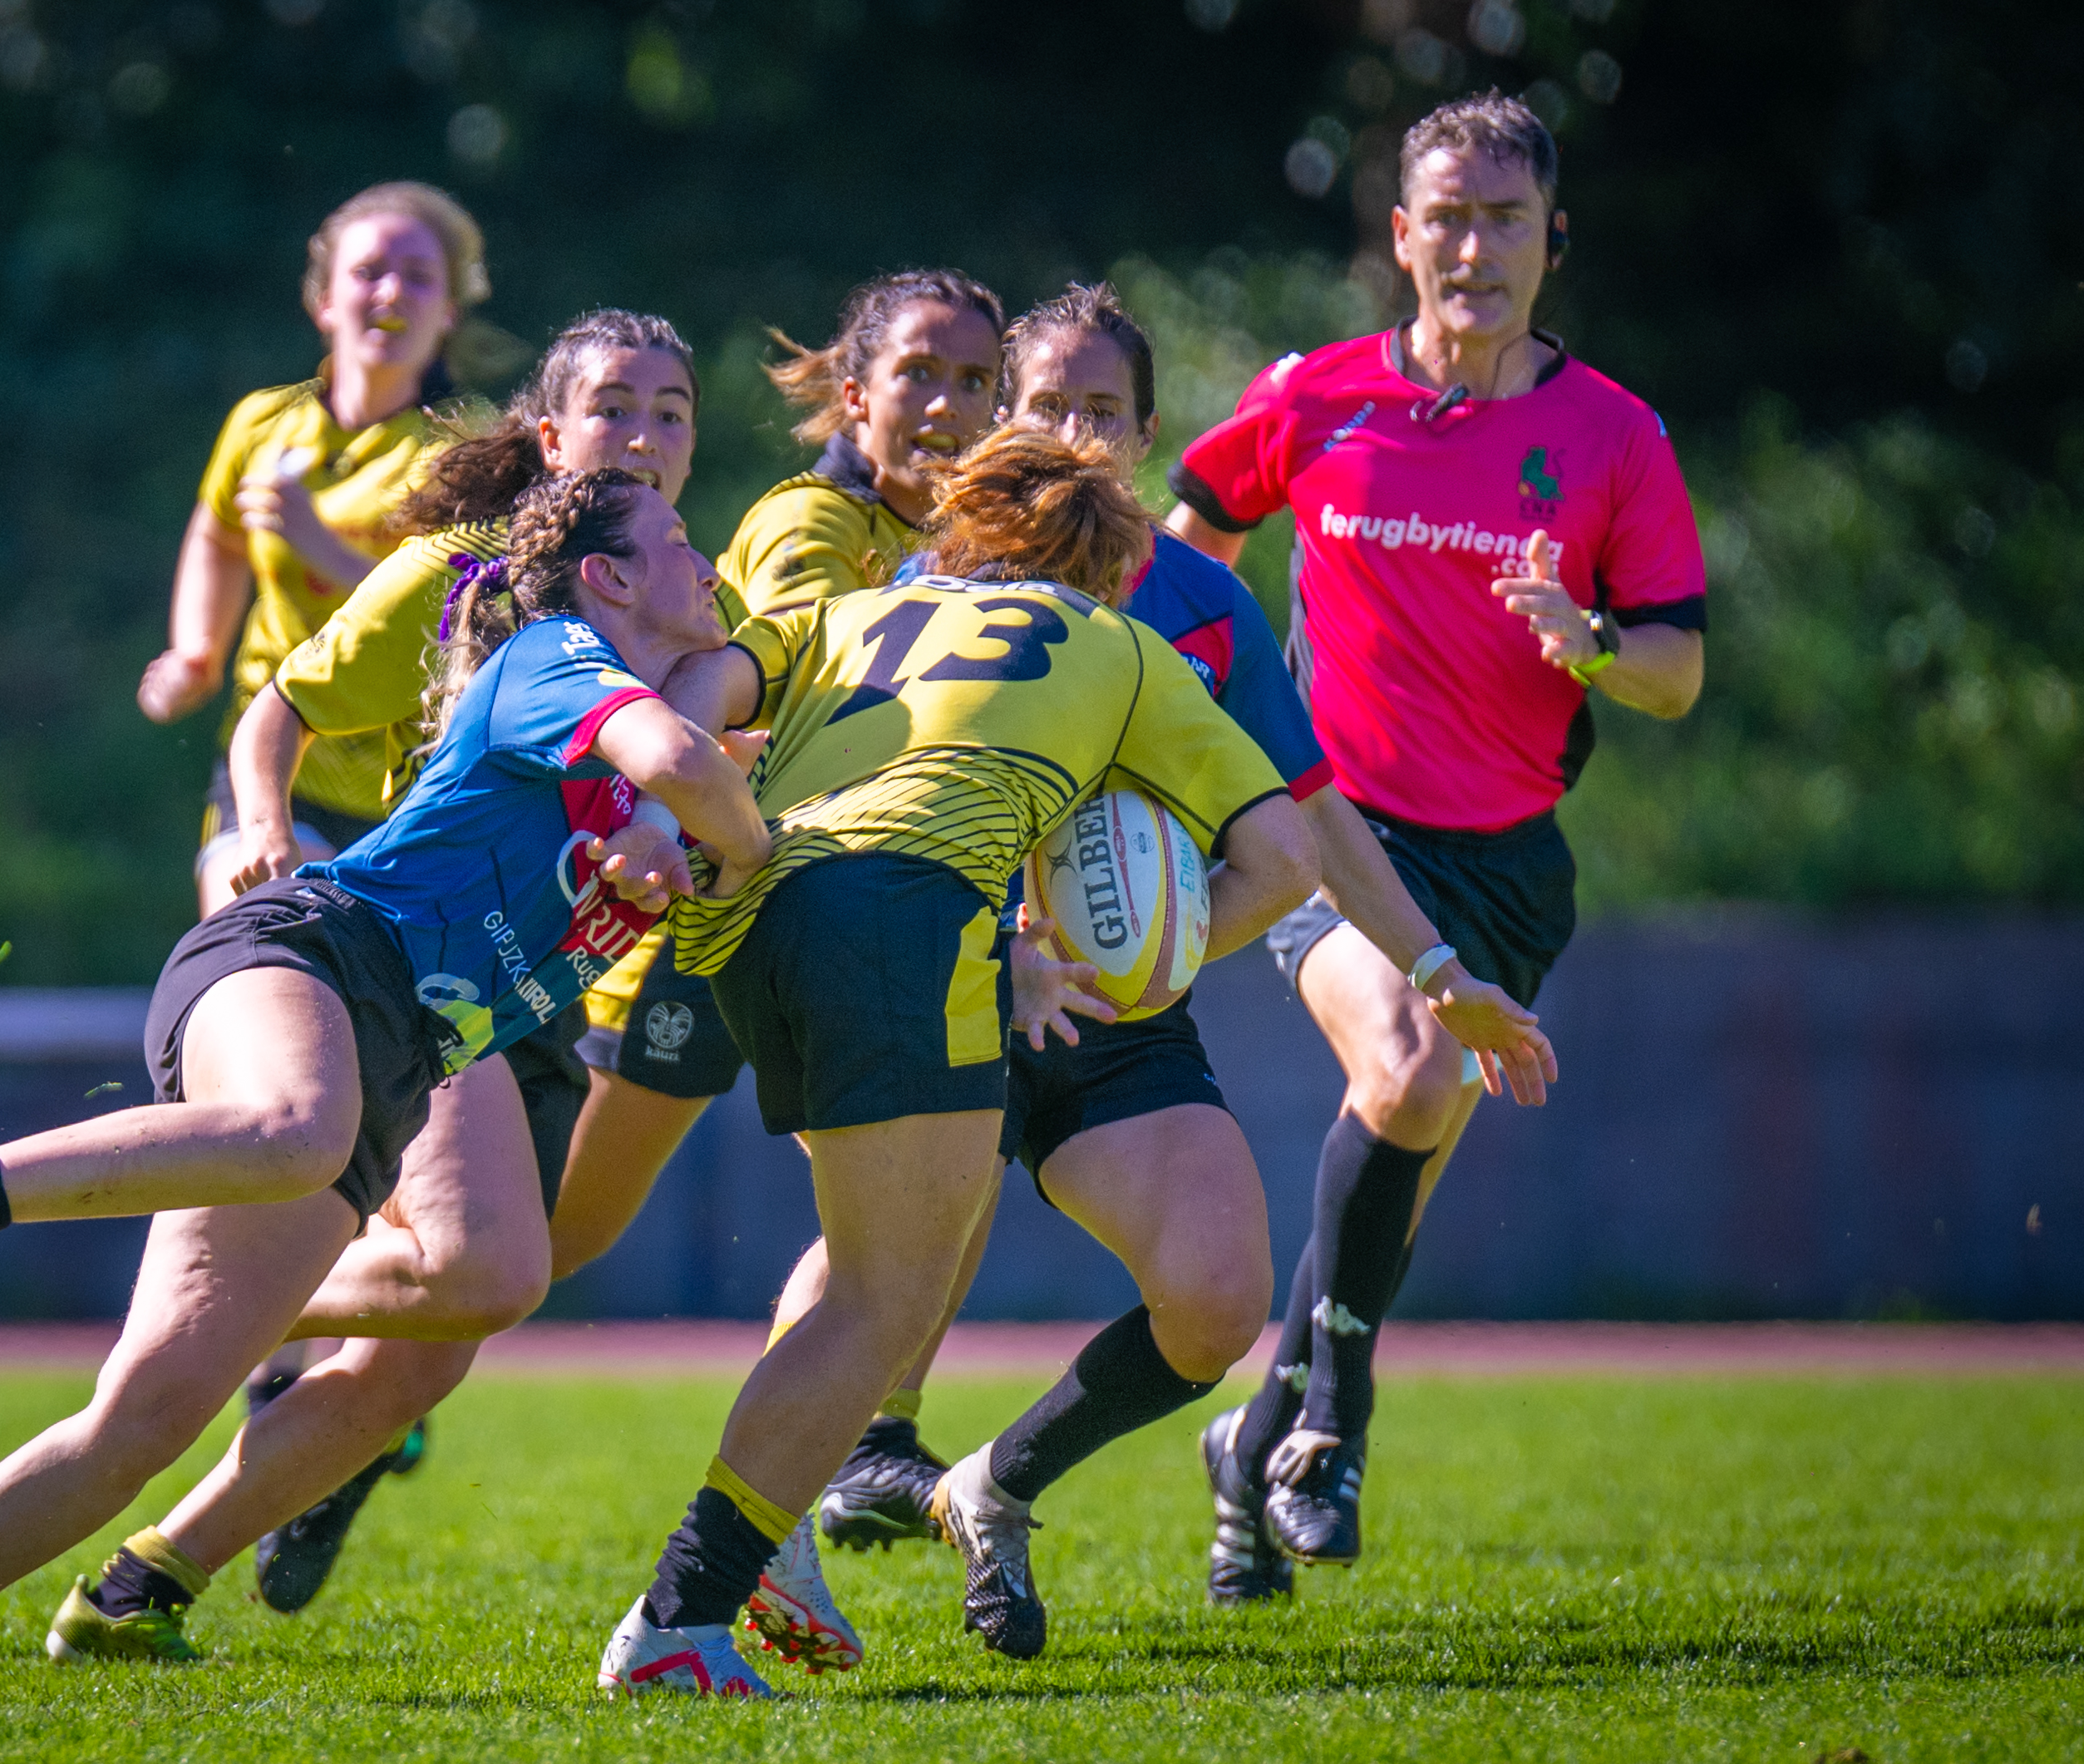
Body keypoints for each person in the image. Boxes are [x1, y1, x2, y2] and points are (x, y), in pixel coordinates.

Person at [0, 469, 770, 1704]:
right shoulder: (558, 654)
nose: (709, 560)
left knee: (145, 1420)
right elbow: (674, 751)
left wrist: (695, 842)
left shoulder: (653, 769)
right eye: (679, 541)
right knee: (297, 1130)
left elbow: (691, 784)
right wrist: (736, 833)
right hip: (305, 954)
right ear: (609, 576)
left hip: (393, 1072)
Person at [751, 286, 1555, 1661]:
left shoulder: (1199, 601)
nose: (1072, 431)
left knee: (1216, 1293)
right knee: (871, 1266)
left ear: (1147, 435)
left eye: (1102, 411)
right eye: (1046, 404)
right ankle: (771, 1543)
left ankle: (989, 1485)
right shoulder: (916, 583)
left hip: (1109, 1019)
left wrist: (1424, 969)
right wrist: (1001, 951)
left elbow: (1301, 823)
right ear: (1006, 417)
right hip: (939, 981)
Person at [595, 427, 1321, 1697]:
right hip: (908, 917)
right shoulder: (1123, 648)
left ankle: (731, 1572)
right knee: (881, 1302)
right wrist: (1140, 961)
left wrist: (665, 806)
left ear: (956, 527)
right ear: (1113, 567)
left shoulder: (856, 611)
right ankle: (680, 1617)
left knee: (869, 1285)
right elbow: (1285, 862)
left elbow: (704, 680)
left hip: (753, 915)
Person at [1162, 92, 1706, 1584]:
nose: (1475, 246)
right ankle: (1332, 1416)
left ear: (1550, 240)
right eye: (1447, 218)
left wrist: (1587, 638)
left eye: (1506, 219)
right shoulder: (1317, 397)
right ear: (1401, 238)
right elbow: (1186, 529)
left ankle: (1251, 1432)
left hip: (1512, 859)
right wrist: (1216, 699)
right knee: (1403, 1061)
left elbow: (1675, 670)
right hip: (1334, 834)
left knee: (1401, 1140)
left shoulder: (1611, 435)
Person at [155, 310, 707, 1623]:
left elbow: (711, 740)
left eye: (673, 410)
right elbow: (279, 703)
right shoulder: (468, 570)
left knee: (429, 1359)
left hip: (542, 989)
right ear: (548, 436)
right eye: (614, 406)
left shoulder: (691, 591)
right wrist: (265, 829)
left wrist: (674, 815)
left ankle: (145, 1578)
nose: (643, 433)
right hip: (432, 959)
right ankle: (216, 1312)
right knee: (480, 1269)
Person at [546, 268, 1007, 1291]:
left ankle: (864, 1439)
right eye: (917, 373)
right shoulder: (813, 525)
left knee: (937, 1184)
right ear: (855, 396)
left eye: (975, 381)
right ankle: (296, 1358)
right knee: (549, 1237)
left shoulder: (969, 551)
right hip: (701, 912)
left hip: (807, 904)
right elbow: (834, 696)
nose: (946, 404)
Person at [135, 181, 488, 919]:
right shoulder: (263, 423)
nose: (392, 291)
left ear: (448, 313)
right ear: (323, 300)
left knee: (400, 1021)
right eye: (368, 272)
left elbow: (462, 616)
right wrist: (195, 652)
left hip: (414, 787)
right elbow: (218, 535)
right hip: (271, 766)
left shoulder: (468, 447)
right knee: (265, 939)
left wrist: (319, 546)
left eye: (419, 277)